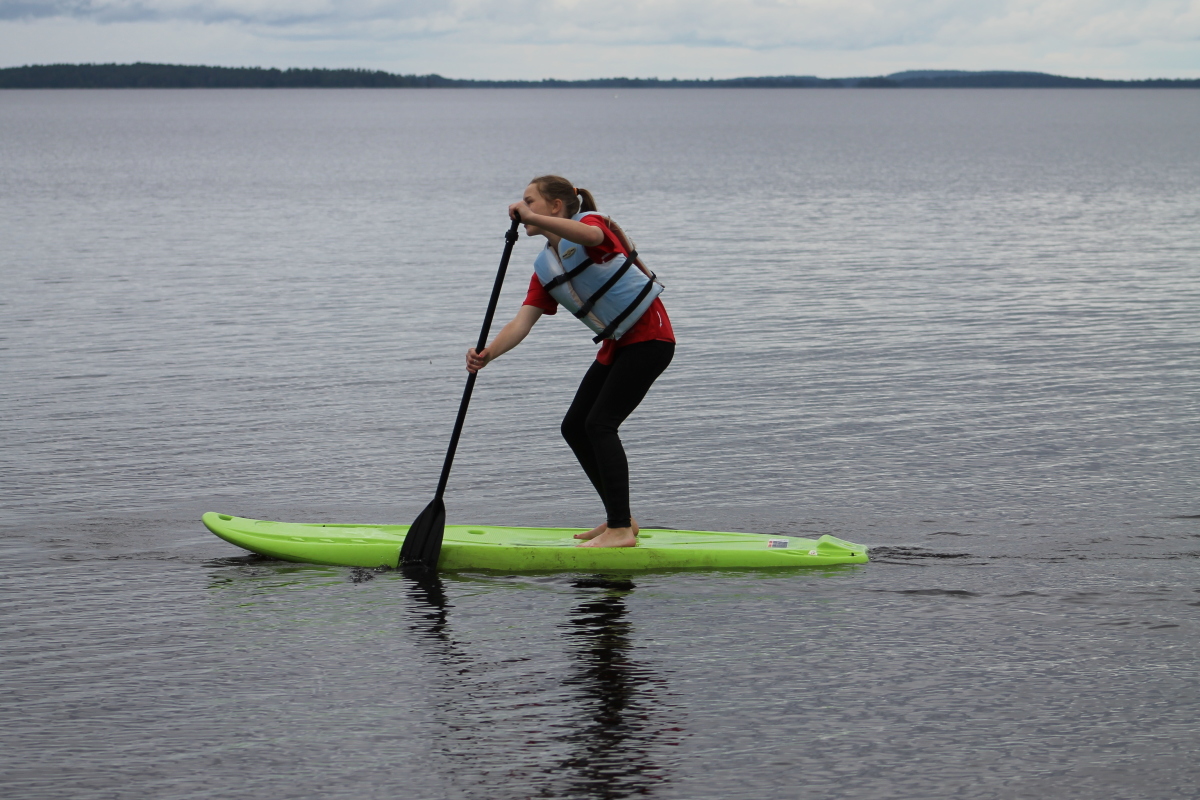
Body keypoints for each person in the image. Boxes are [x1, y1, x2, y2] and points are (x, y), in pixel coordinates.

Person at [465, 175, 675, 548]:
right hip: (619, 345)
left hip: (650, 338)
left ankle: (620, 530)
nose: (523, 208)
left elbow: (592, 241)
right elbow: (522, 321)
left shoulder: (590, 225)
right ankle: (621, 519)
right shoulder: (546, 268)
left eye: (531, 201)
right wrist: (487, 354)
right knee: (574, 426)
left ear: (556, 207)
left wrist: (531, 216)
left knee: (599, 424)